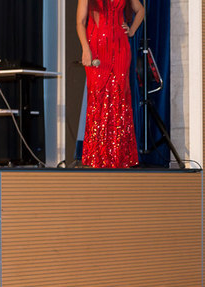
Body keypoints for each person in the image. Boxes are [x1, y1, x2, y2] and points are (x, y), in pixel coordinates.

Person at [76, 0, 144, 168]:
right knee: (98, 99)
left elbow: (141, 10)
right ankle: (97, 156)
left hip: (120, 47)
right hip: (96, 47)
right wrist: (85, 48)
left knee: (119, 99)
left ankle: (120, 156)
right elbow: (80, 22)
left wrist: (131, 30)